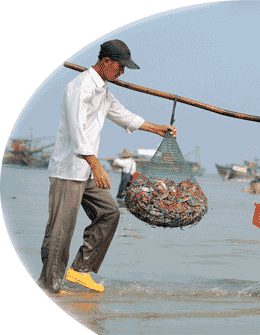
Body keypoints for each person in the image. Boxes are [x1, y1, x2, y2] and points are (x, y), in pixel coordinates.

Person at [38, 39, 177, 294]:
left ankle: (80, 270)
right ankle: (49, 286)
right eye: (119, 67)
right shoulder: (79, 87)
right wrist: (97, 165)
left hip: (87, 170)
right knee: (61, 230)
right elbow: (77, 130)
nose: (121, 72)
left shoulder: (103, 90)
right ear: (106, 62)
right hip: (69, 169)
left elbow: (122, 114)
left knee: (109, 212)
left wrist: (157, 128)